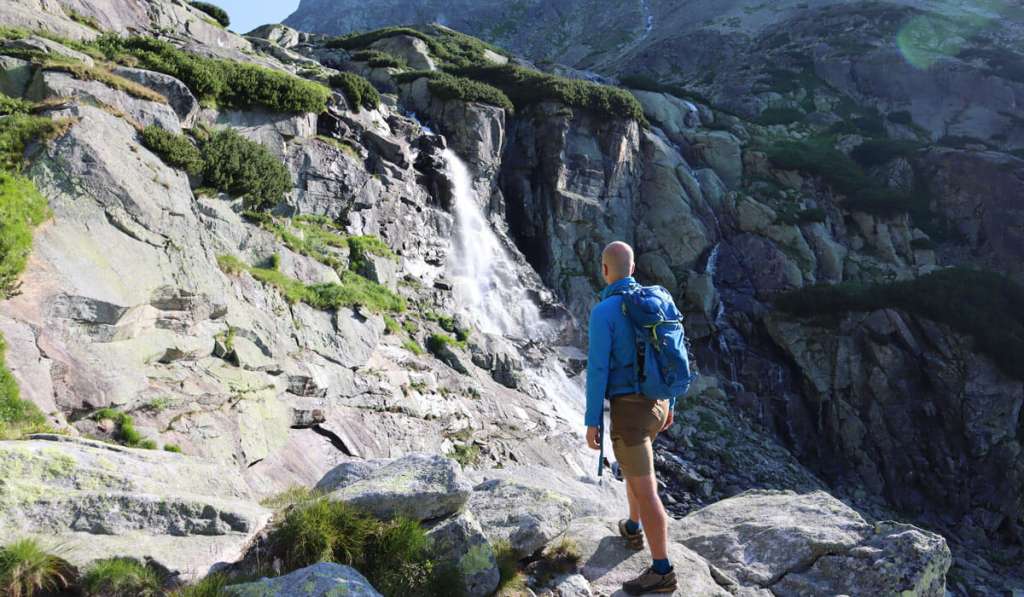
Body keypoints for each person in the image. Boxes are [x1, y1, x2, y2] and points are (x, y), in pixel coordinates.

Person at [585, 241, 677, 595]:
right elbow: (672, 353)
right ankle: (633, 526)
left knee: (645, 487)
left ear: (604, 270)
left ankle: (662, 571)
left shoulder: (605, 311)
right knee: (633, 468)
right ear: (634, 269)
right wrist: (670, 406)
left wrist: (592, 419)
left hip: (630, 413)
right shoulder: (658, 300)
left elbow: (597, 370)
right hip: (658, 405)